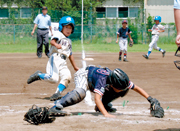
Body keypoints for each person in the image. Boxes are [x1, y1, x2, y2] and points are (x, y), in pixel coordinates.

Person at [48, 65, 164, 118]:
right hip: (84, 75)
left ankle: (104, 106)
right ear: (113, 83)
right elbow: (96, 98)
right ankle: (57, 106)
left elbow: (136, 88)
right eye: (118, 86)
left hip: (95, 79)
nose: (122, 88)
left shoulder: (119, 79)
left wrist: (150, 99)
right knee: (81, 93)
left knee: (123, 91)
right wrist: (106, 114)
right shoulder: (103, 79)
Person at [27, 16, 79, 101]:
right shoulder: (59, 34)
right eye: (66, 27)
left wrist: (75, 67)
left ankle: (57, 93)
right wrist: (56, 45)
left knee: (67, 77)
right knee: (53, 79)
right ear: (61, 27)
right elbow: (52, 41)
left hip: (63, 61)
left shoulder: (69, 41)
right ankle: (39, 75)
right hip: (55, 58)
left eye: (70, 28)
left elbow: (70, 54)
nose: (68, 30)